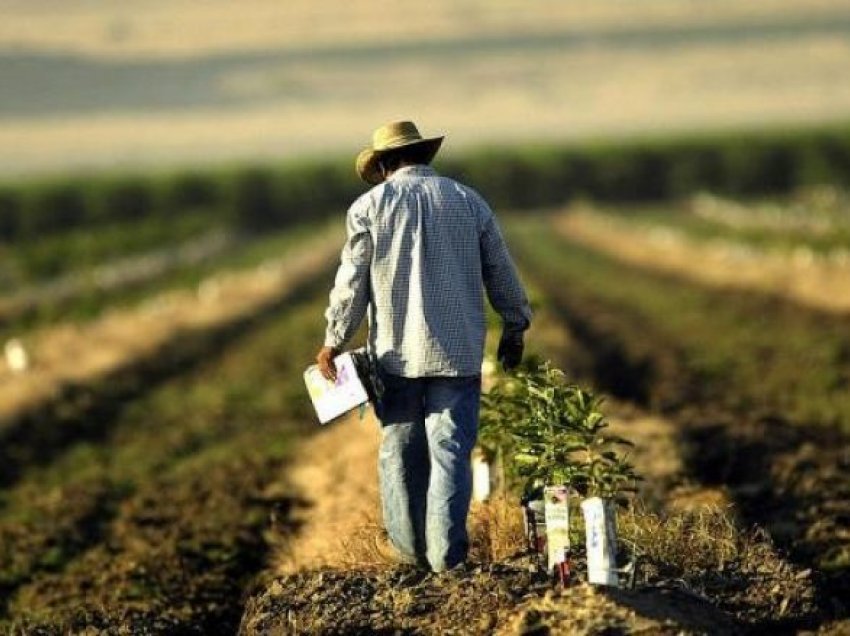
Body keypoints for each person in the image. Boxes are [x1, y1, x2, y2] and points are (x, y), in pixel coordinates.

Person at [316, 120, 532, 572]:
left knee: (399, 454)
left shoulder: (368, 208)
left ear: (386, 164)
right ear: (421, 156)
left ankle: (410, 558)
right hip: (457, 354)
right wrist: (515, 326)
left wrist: (334, 341)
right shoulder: (468, 201)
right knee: (451, 454)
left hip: (394, 355)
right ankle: (446, 562)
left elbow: (352, 282)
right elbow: (500, 270)